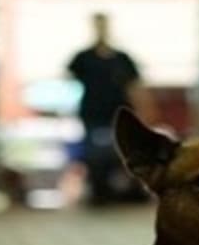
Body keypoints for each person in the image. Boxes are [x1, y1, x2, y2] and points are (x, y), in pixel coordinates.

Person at [67, 13, 157, 205]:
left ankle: (130, 192)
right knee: (95, 155)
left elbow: (134, 86)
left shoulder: (122, 59)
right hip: (93, 115)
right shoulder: (83, 58)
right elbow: (68, 78)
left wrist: (144, 111)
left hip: (120, 115)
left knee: (125, 155)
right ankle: (99, 191)